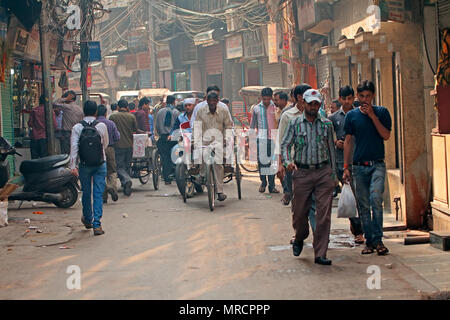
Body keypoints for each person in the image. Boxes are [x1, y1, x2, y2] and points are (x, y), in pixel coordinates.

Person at [281, 89, 338, 265]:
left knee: (323, 215)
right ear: (304, 104)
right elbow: (285, 145)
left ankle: (320, 253)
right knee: (299, 213)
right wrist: (288, 162)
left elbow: (331, 150)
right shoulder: (295, 123)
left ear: (319, 105)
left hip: (323, 172)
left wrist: (334, 174)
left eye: (316, 104)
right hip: (302, 173)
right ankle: (300, 237)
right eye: (310, 103)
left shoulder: (327, 125)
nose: (313, 107)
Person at [343, 80, 392, 256]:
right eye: (362, 96)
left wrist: (372, 116)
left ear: (373, 96)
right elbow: (348, 141)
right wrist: (346, 167)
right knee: (363, 205)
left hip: (377, 164)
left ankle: (378, 240)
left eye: (368, 96)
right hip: (358, 167)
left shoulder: (382, 112)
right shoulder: (351, 116)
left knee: (376, 199)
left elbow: (386, 135)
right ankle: (369, 241)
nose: (365, 100)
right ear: (357, 96)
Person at [329, 86, 364, 245]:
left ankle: (359, 227)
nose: (348, 101)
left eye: (350, 98)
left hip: (359, 159)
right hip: (341, 162)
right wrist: (337, 142)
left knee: (360, 196)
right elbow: (331, 138)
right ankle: (358, 230)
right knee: (351, 195)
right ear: (340, 98)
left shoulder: (360, 115)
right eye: (345, 99)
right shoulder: (333, 118)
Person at [70, 100, 109, 236]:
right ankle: (97, 225)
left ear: (83, 111)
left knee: (86, 193)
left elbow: (74, 148)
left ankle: (87, 219)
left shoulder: (77, 128)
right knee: (98, 193)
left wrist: (73, 166)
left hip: (84, 165)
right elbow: (105, 144)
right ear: (96, 112)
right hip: (100, 163)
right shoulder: (102, 126)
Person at [192, 92, 233, 202]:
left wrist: (226, 138)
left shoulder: (223, 111)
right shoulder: (201, 111)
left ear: (217, 101)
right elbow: (196, 127)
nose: (212, 103)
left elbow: (228, 126)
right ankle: (201, 175)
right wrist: (195, 140)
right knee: (200, 154)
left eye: (214, 101)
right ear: (207, 101)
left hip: (219, 141)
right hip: (204, 140)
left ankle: (219, 191)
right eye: (210, 101)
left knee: (218, 164)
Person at [276, 84, 312, 206]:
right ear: (299, 97)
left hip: (314, 162)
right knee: (298, 198)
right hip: (293, 162)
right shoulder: (287, 115)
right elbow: (281, 140)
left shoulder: (318, 113)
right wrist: (280, 164)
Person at [250, 87, 279, 194]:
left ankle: (272, 185)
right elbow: (253, 125)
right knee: (262, 162)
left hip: (273, 139)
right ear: (261, 98)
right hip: (261, 139)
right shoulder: (256, 109)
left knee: (272, 162)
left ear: (271, 97)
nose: (266, 101)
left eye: (268, 99)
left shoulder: (276, 107)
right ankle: (263, 182)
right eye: (264, 99)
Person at [109, 99, 141, 196]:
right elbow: (135, 129)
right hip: (129, 145)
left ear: (118, 107)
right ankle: (126, 186)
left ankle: (126, 181)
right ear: (127, 107)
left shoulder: (113, 117)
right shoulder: (131, 117)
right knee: (127, 165)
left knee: (119, 166)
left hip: (118, 145)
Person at [97, 104, 120, 204]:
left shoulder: (94, 124)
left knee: (100, 173)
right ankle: (111, 187)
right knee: (112, 171)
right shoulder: (111, 123)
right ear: (106, 113)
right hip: (110, 148)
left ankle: (103, 196)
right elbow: (117, 137)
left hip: (97, 150)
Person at [155, 95, 180, 185]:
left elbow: (157, 126)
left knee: (165, 158)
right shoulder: (176, 113)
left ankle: (166, 178)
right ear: (174, 102)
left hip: (163, 137)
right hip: (173, 138)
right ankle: (175, 174)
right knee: (175, 157)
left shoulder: (160, 112)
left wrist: (161, 134)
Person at [53, 90, 84, 155]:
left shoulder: (67, 107)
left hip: (66, 134)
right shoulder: (80, 109)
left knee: (66, 155)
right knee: (75, 154)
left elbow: (54, 103)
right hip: (77, 134)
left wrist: (65, 99)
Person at [28, 95, 57, 159]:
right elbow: (54, 125)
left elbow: (30, 124)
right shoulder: (50, 111)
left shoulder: (34, 111)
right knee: (45, 158)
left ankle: (35, 169)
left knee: (34, 158)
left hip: (35, 137)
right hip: (45, 137)